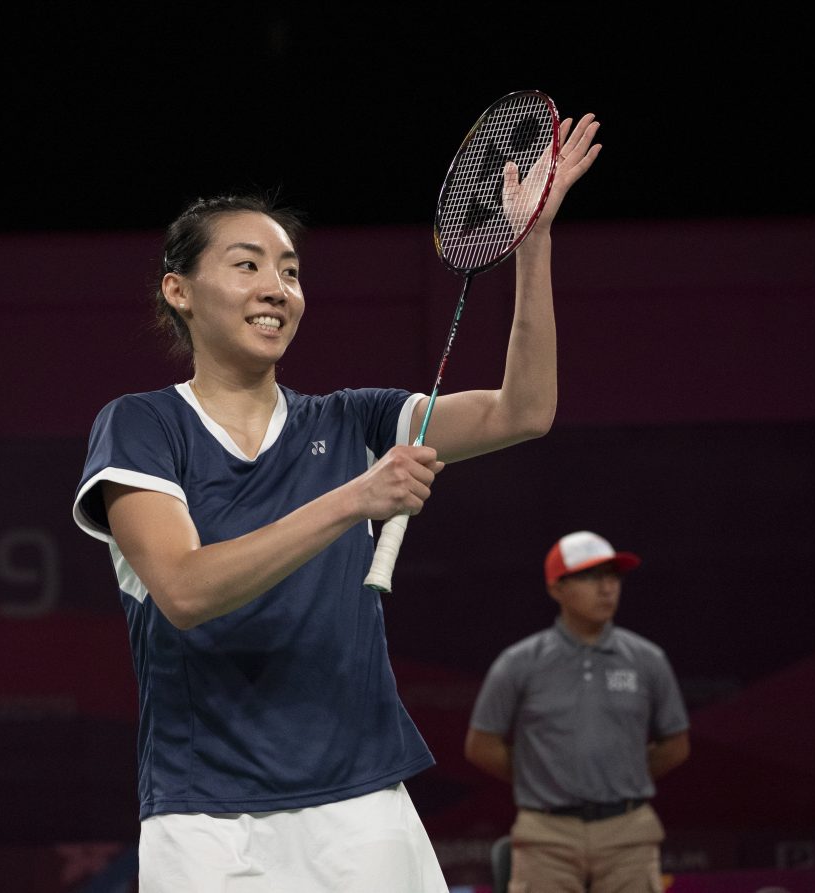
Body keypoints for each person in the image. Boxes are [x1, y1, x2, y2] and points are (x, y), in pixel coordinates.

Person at [72, 113, 602, 892]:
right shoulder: (143, 426)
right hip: (208, 816)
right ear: (178, 291)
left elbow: (522, 410)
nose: (276, 289)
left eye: (289, 270)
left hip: (361, 804)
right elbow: (184, 589)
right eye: (247, 265)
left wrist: (533, 246)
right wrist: (357, 497)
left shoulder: (349, 418)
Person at [464, 530, 690, 893]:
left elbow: (676, 744)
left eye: (613, 575)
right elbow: (481, 746)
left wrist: (618, 775)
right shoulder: (519, 663)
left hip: (628, 833)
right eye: (590, 576)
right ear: (556, 588)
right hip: (546, 836)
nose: (606, 588)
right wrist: (544, 779)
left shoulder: (648, 660)